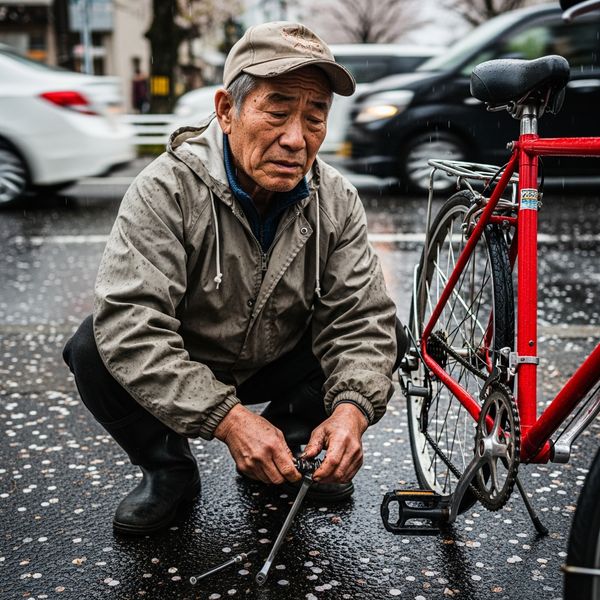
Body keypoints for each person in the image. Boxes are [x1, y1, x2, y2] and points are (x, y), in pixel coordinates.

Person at [63, 21, 406, 536]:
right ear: (226, 110)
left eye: (315, 117)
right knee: (93, 346)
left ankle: (292, 450)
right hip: (191, 355)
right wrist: (230, 420)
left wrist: (351, 411)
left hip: (279, 355)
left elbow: (359, 318)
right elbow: (133, 325)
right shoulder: (166, 190)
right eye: (276, 111)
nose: (296, 139)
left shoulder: (335, 198)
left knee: (387, 334)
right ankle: (169, 470)